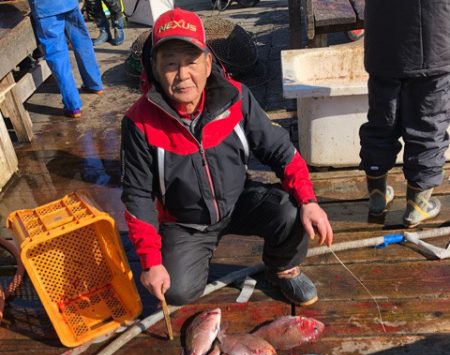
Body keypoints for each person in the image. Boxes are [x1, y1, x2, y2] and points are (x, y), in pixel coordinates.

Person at [121, 8, 333, 307]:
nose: (182, 75)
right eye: (170, 64)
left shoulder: (237, 96)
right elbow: (137, 196)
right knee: (176, 292)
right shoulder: (138, 122)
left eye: (191, 61)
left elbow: (281, 150)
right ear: (153, 68)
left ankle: (283, 269)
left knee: (292, 210)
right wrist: (150, 261)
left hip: (238, 200)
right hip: (185, 222)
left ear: (208, 63)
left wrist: (309, 201)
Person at [359, 0, 450, 227]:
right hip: (434, 43)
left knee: (381, 121)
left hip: (383, 42)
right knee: (428, 125)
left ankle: (377, 195)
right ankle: (417, 206)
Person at [29, 0, 103, 118]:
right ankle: (95, 84)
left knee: (57, 55)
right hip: (68, 3)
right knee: (82, 41)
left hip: (45, 8)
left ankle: (73, 105)